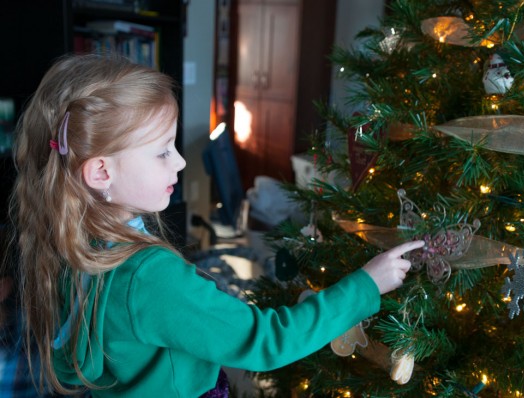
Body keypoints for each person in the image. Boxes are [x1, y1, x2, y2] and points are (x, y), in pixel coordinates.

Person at [9, 53, 424, 397]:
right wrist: (367, 284)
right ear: (101, 172)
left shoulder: (67, 239)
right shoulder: (151, 277)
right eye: (162, 152)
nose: (181, 161)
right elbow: (265, 342)